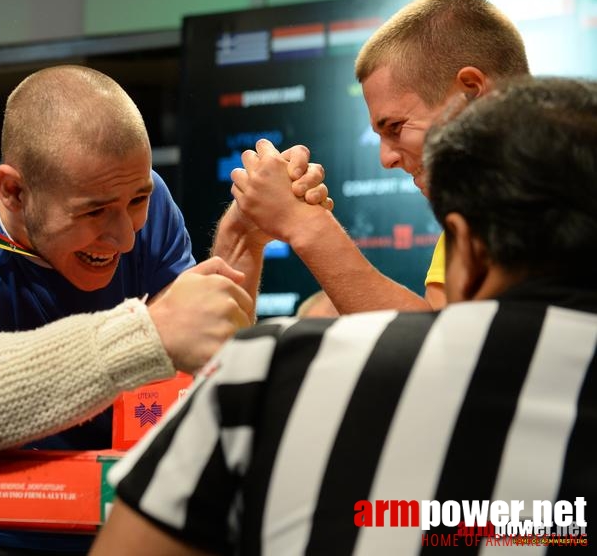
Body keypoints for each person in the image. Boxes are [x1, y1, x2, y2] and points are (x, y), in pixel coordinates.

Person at [92, 76, 597, 556]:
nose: (388, 156)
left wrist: (298, 226)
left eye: (395, 128)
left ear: (469, 253)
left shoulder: (264, 373)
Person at [0, 64, 329, 554]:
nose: (125, 235)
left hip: (132, 528)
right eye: (93, 211)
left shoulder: (139, 198)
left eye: (137, 201)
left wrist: (242, 239)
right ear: (14, 190)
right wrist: (147, 332)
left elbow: (203, 363)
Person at [233, 0, 530, 314]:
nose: (386, 159)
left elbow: (440, 355)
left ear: (471, 93)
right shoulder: (473, 213)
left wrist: (306, 225)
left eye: (396, 127)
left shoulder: (568, 191)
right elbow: (446, 338)